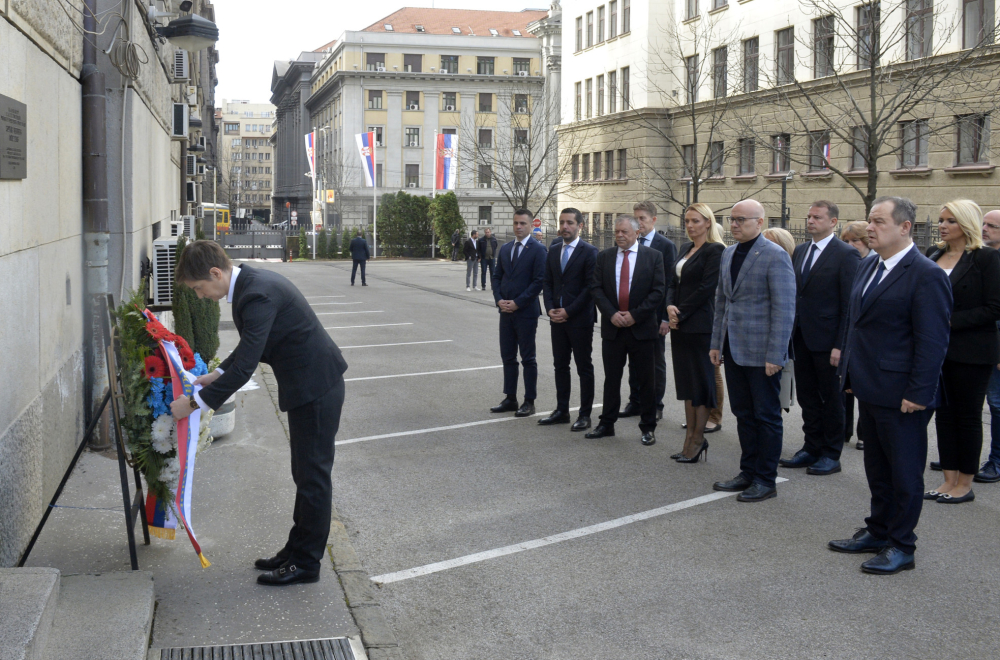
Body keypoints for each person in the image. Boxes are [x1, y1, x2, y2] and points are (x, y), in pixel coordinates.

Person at [171, 241, 348, 586]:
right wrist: (215, 375)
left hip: (316, 389)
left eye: (198, 288)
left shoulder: (257, 294)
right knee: (305, 475)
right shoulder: (251, 286)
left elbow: (246, 366)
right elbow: (251, 346)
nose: (200, 296)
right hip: (309, 387)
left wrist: (193, 403)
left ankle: (306, 564)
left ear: (215, 273)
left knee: (313, 479)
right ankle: (296, 549)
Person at [829, 196, 951, 575]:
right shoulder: (868, 266)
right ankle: (878, 530)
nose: (870, 227)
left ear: (905, 227)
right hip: (870, 386)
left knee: (904, 473)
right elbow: (856, 326)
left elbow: (932, 341)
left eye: (879, 221)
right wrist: (850, 375)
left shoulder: (926, 274)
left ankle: (902, 545)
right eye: (869, 220)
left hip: (903, 395)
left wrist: (918, 393)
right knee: (877, 469)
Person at [710, 199, 796, 502]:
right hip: (733, 349)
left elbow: (784, 309)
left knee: (766, 416)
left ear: (759, 222)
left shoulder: (775, 255)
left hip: (762, 354)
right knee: (743, 414)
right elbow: (722, 301)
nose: (734, 225)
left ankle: (765, 478)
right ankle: (747, 471)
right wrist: (716, 343)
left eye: (741, 220)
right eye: (732, 219)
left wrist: (776, 354)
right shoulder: (729, 253)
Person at [923, 200, 1000, 503]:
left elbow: (995, 307)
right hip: (936, 349)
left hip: (972, 351)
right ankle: (947, 480)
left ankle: (964, 485)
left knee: (966, 417)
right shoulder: (934, 254)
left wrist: (951, 321)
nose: (943, 226)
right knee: (943, 415)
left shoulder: (986, 259)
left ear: (966, 223)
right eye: (942, 220)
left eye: (951, 220)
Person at [778, 202, 860, 477]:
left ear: (833, 222)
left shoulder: (846, 254)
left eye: (817, 217)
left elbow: (849, 304)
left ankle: (830, 453)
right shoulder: (800, 251)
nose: (811, 221)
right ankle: (811, 446)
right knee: (807, 396)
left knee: (831, 399)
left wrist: (841, 344)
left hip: (828, 341)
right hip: (801, 337)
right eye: (809, 216)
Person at [586, 215, 666, 446]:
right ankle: (606, 423)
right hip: (614, 329)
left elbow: (657, 291)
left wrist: (635, 315)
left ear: (637, 233)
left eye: (625, 232)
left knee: (646, 381)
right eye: (617, 232)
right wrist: (611, 314)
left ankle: (648, 427)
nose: (620, 236)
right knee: (612, 378)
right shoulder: (605, 257)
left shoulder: (654, 257)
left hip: (641, 329)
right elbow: (597, 288)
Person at [665, 204, 725, 462]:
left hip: (700, 325)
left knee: (701, 383)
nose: (690, 226)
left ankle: (698, 439)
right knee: (688, 385)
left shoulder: (716, 250)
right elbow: (671, 283)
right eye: (687, 221)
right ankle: (689, 438)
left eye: (696, 221)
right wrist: (669, 307)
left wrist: (680, 313)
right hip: (680, 325)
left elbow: (706, 288)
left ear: (708, 223)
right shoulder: (684, 248)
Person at [540, 208, 599, 432]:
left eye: (570, 223)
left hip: (579, 320)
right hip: (557, 319)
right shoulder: (554, 250)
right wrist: (550, 308)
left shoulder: (590, 252)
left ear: (580, 226)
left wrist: (568, 311)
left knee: (584, 367)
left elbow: (590, 288)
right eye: (562, 222)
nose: (565, 226)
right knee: (560, 366)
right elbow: (548, 282)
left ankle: (585, 415)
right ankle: (562, 410)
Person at [621, 201, 677, 421]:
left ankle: (655, 404)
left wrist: (665, 318)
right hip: (633, 314)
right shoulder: (628, 243)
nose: (638, 223)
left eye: (642, 218)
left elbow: (669, 283)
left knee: (655, 362)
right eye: (635, 219)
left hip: (654, 317)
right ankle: (635, 401)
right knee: (634, 360)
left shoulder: (665, 245)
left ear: (653, 220)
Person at [491, 209, 547, 417]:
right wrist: (499, 300)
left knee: (528, 358)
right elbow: (497, 277)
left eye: (523, 223)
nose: (518, 227)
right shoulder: (506, 249)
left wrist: (518, 302)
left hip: (525, 312)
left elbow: (538, 281)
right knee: (508, 356)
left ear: (531, 226)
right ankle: (510, 398)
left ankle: (529, 401)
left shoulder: (538, 250)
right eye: (516, 223)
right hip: (505, 312)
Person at [840, 220, 871, 450]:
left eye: (856, 240)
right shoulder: (848, 261)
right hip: (849, 330)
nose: (851, 245)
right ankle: (844, 429)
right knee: (845, 384)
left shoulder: (872, 263)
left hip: (867, 333)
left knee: (864, 384)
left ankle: (864, 433)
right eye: (847, 241)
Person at [976, 210, 1000, 483]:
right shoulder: (979, 257)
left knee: (996, 404)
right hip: (977, 344)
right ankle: (963, 457)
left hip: (995, 346)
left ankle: (996, 460)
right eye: (983, 224)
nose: (985, 229)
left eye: (992, 226)